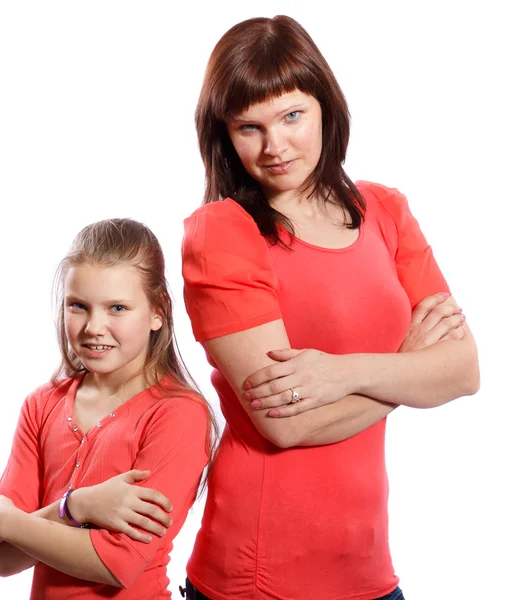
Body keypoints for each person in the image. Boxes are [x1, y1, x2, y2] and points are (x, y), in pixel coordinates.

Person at [180, 15, 479, 600]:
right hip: (258, 573)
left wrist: (338, 372)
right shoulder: (222, 232)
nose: (275, 147)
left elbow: (465, 371)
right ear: (225, 135)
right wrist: (409, 370)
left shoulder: (386, 210)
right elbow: (285, 424)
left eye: (292, 116)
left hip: (368, 567)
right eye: (250, 127)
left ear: (325, 105)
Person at [0, 218, 215, 599]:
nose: (94, 327)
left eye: (117, 307)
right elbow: (2, 558)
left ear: (158, 311)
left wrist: (8, 521)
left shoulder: (178, 414)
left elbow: (119, 563)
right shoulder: (41, 404)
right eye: (79, 306)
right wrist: (77, 506)